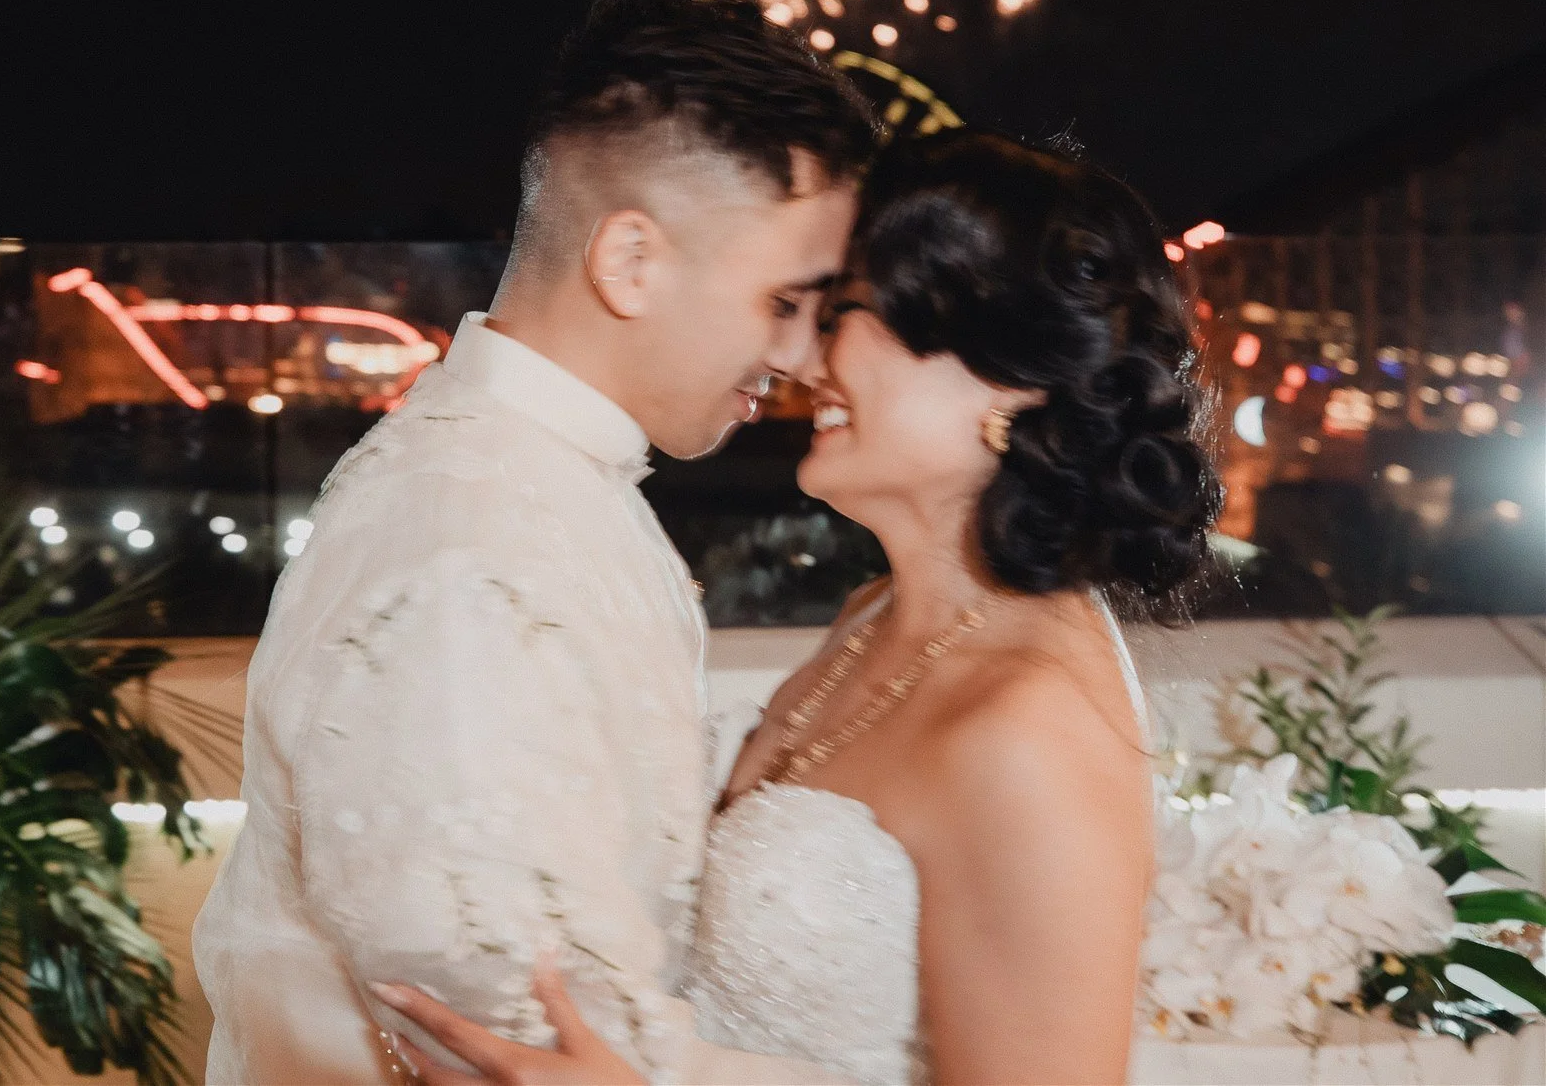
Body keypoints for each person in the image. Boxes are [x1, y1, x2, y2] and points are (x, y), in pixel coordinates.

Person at [378, 130, 1223, 1084]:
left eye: (845, 311)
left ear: (1008, 381)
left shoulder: (1027, 730)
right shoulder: (877, 614)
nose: (800, 354)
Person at [191, 0, 876, 1083]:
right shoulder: (470, 557)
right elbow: (538, 1040)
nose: (801, 356)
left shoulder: (538, 486)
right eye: (785, 302)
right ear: (632, 261)